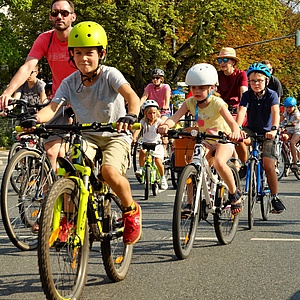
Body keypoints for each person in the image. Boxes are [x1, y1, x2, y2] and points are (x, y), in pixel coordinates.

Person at [20, 21, 142, 245]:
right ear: (71, 55)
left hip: (115, 134)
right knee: (70, 173)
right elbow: (52, 108)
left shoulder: (110, 75)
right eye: (78, 53)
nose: (84, 58)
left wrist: (131, 116)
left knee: (109, 172)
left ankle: (130, 210)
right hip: (87, 136)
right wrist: (34, 119)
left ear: (101, 54)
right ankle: (68, 220)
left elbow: (132, 97)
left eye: (89, 53)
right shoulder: (70, 82)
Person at [0, 0, 77, 169]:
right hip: (59, 100)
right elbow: (28, 67)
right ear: (50, 17)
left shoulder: (79, 37)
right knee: (50, 152)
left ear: (73, 17)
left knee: (75, 155)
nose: (59, 16)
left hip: (84, 98)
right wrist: (8, 92)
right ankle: (50, 193)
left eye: (64, 13)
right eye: (55, 13)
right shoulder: (45, 39)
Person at [158, 63, 243, 215]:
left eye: (201, 88)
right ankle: (190, 203)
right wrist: (166, 125)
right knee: (193, 164)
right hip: (206, 140)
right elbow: (175, 118)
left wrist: (235, 132)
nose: (196, 91)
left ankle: (234, 193)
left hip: (223, 139)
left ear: (212, 88)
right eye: (193, 87)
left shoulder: (217, 103)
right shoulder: (190, 103)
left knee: (219, 162)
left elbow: (233, 124)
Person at [236, 62, 286, 213]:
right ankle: (245, 163)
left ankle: (275, 197)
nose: (256, 84)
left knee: (268, 165)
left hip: (268, 131)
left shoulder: (272, 95)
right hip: (252, 129)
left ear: (266, 81)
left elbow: (276, 113)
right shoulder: (247, 95)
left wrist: (274, 129)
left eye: (259, 80)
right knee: (237, 139)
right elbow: (242, 111)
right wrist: (238, 128)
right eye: (252, 81)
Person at [217, 47, 248, 173]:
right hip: (221, 110)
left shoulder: (241, 74)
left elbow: (243, 95)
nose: (222, 63)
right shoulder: (217, 75)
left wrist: (241, 110)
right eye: (220, 61)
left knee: (235, 133)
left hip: (237, 110)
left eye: (225, 60)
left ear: (233, 62)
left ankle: (242, 161)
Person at [135, 100, 168, 190]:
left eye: (154, 113)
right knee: (142, 151)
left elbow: (163, 131)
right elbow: (138, 130)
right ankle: (141, 168)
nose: (152, 115)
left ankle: (162, 178)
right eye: (150, 113)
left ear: (157, 113)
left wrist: (164, 139)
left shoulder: (159, 122)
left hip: (157, 144)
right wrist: (134, 138)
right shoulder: (143, 122)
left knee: (158, 161)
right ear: (145, 113)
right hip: (146, 143)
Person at [280, 96, 300, 172]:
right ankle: (287, 155)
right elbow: (281, 119)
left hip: (297, 131)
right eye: (287, 107)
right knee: (282, 137)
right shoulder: (286, 113)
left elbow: (298, 118)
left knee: (292, 143)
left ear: (294, 107)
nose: (288, 109)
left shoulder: (296, 113)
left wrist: (295, 122)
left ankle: (295, 162)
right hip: (289, 132)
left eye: (290, 107)